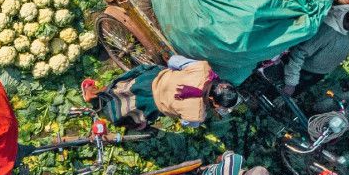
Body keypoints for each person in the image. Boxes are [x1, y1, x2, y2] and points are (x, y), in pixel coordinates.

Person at [83, 55, 238, 129]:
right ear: (214, 103)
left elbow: (173, 61)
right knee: (132, 115)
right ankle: (107, 110)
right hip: (151, 105)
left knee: (120, 88)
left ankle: (94, 93)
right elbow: (185, 122)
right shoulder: (197, 116)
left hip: (149, 80)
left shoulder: (203, 68)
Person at [280, 3, 349, 96]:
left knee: (294, 93)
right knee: (283, 91)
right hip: (303, 71)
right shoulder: (326, 30)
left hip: (319, 73)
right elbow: (298, 53)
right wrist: (291, 83)